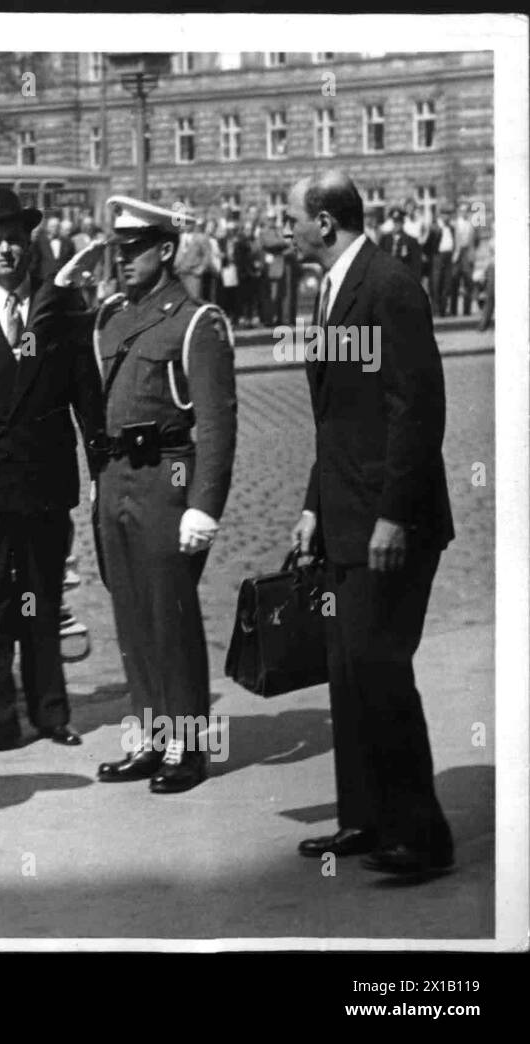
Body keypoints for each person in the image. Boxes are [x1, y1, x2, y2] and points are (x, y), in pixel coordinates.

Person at [286, 170, 455, 876]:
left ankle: (422, 836)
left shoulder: (388, 285)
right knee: (350, 672)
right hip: (346, 516)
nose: (285, 228)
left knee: (381, 667)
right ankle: (364, 819)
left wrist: (391, 517)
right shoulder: (327, 292)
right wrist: (312, 507)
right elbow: (337, 423)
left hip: (394, 523)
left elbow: (417, 410)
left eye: (291, 217)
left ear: (324, 223)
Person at [0, 188, 102, 758]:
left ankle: (51, 712)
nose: (5, 250)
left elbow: (86, 394)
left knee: (42, 598)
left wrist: (100, 465)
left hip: (43, 480)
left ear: (28, 245)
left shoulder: (62, 307)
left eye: (13, 240)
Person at [88, 195, 237, 794]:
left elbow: (218, 422)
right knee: (129, 615)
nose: (121, 261)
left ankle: (190, 746)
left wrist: (204, 505)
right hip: (116, 477)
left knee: (170, 616)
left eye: (133, 250)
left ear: (166, 250)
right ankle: (151, 739)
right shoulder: (110, 318)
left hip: (166, 478)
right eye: (116, 251)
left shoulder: (198, 322)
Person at [378, 206, 423, 284]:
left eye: (399, 222)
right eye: (395, 222)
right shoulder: (385, 239)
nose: (397, 225)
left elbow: (416, 264)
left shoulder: (410, 241)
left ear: (403, 223)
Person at [428, 206, 456, 316]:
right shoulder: (434, 228)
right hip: (437, 256)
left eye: (448, 214)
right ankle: (436, 309)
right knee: (436, 283)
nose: (447, 217)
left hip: (448, 256)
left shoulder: (451, 228)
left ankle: (444, 309)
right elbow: (429, 244)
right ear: (441, 215)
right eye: (445, 214)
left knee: (447, 283)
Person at [449, 203, 476, 317]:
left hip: (467, 254)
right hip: (457, 254)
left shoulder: (471, 225)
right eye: (462, 210)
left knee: (468, 283)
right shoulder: (454, 224)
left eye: (466, 211)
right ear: (459, 212)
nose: (464, 213)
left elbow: (475, 241)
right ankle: (453, 310)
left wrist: (471, 254)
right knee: (454, 282)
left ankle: (467, 310)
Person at [32, 213, 74, 282]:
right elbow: (35, 261)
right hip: (45, 279)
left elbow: (71, 260)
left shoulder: (68, 242)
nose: (55, 229)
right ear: (47, 227)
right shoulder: (39, 242)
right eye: (52, 226)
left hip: (62, 278)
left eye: (57, 226)